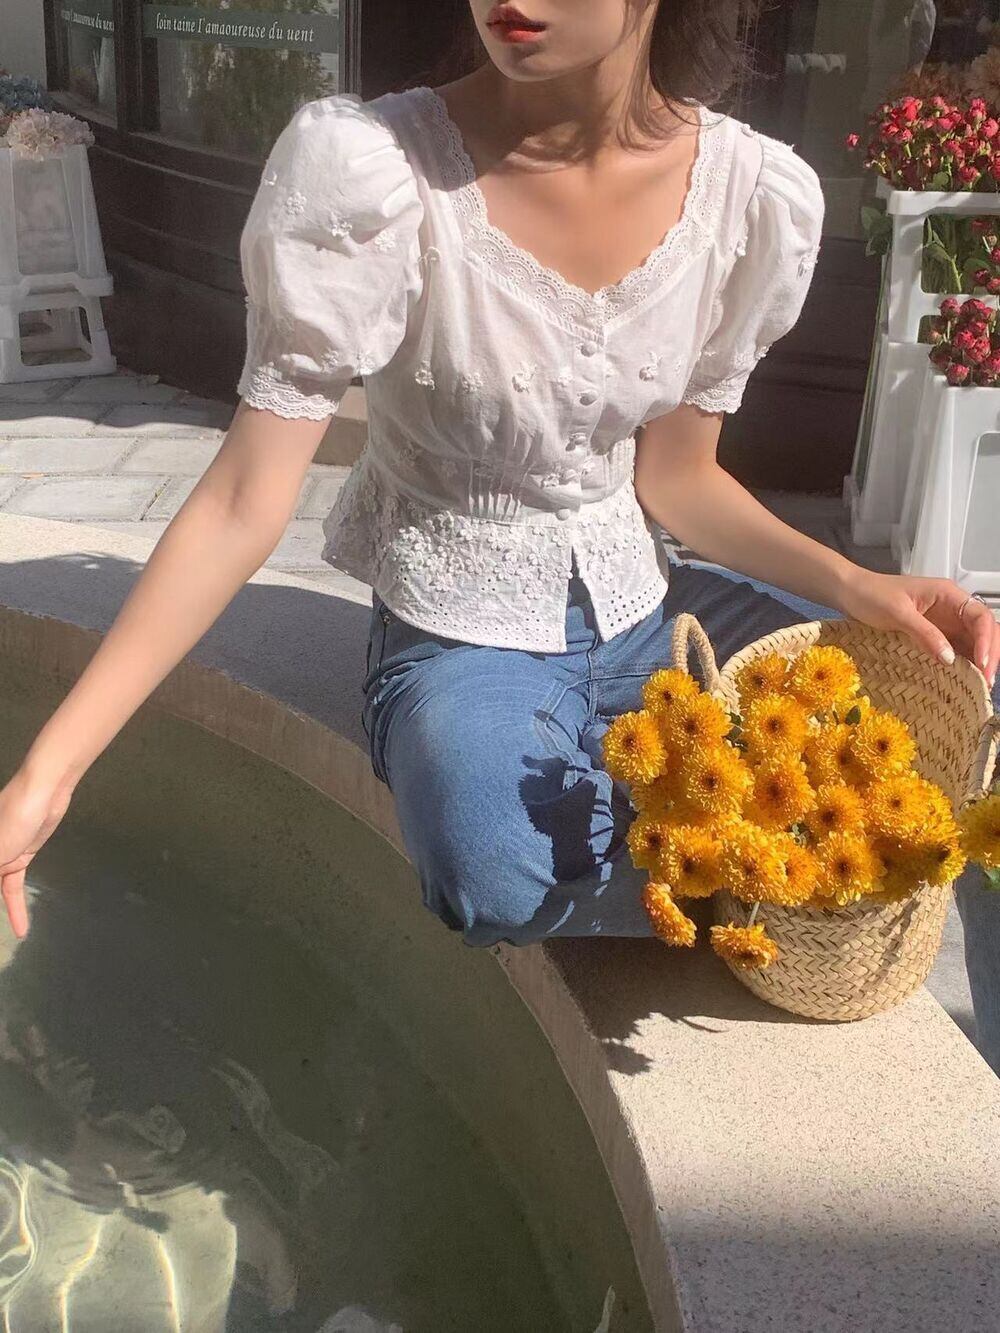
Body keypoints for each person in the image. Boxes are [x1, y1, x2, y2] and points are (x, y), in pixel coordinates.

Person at [1, 2, 998, 1048]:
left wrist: (857, 586)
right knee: (494, 866)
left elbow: (680, 481)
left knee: (950, 712)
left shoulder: (746, 193)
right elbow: (244, 499)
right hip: (459, 636)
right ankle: (750, 882)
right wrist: (48, 771)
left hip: (651, 609)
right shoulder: (377, 174)